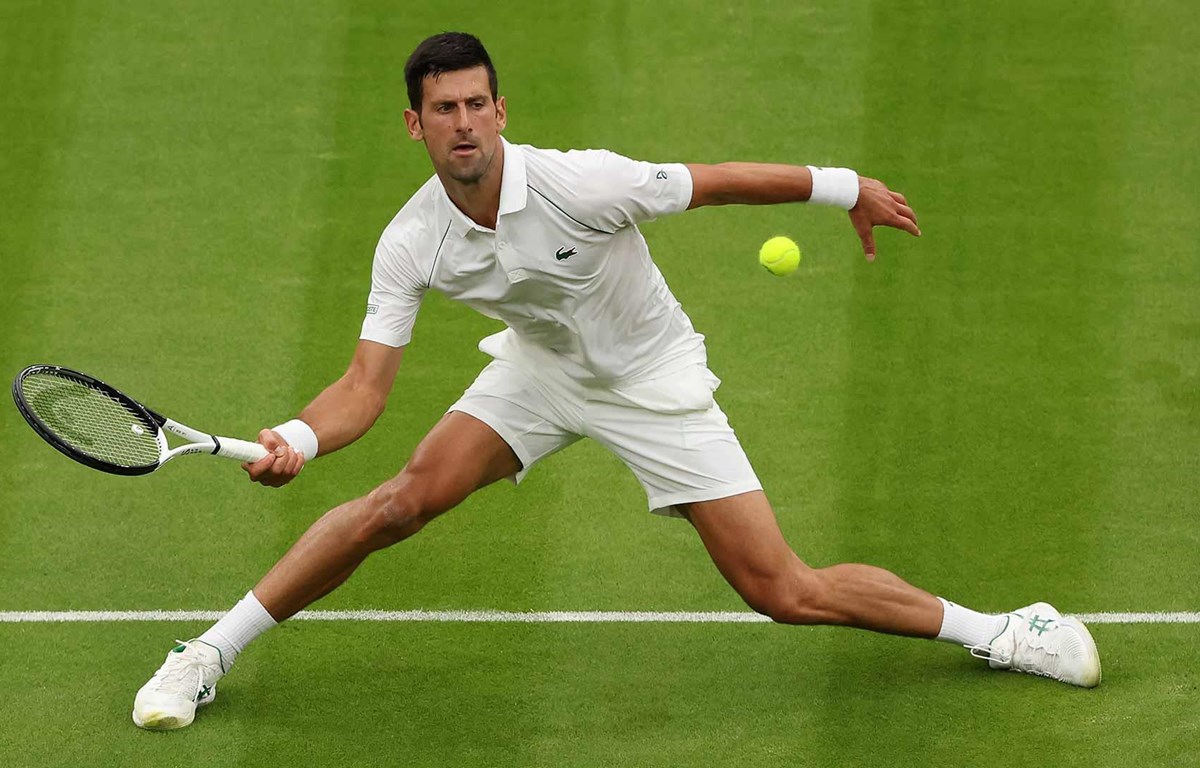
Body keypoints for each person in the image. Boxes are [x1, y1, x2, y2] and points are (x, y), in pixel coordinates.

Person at [131, 31, 1101, 730]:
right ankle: (208, 651)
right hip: (541, 372)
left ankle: (1009, 629)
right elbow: (363, 387)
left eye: (477, 104)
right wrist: (298, 438)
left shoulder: (583, 182)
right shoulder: (412, 238)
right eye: (443, 109)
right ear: (415, 124)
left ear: (501, 112)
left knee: (782, 589)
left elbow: (712, 180)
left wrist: (846, 188)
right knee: (398, 504)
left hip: (651, 380)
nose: (463, 123)